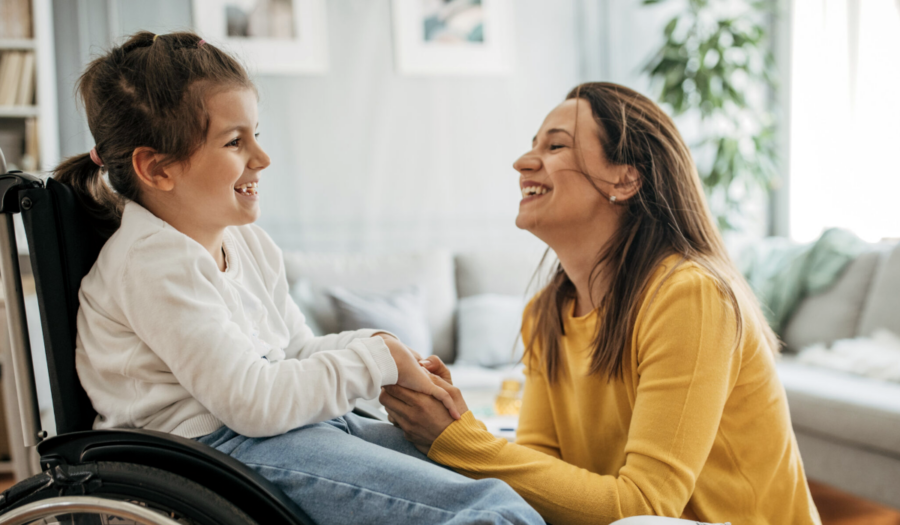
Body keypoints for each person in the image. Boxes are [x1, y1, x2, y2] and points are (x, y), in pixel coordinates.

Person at [60, 31, 543, 525]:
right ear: (157, 168)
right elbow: (251, 403)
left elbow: (291, 352)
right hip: (211, 456)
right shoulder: (150, 263)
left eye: (256, 135)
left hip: (283, 434)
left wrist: (382, 346)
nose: (262, 158)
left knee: (492, 482)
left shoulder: (246, 243)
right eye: (234, 141)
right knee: (492, 512)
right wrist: (374, 362)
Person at [381, 82, 823, 525]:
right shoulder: (546, 312)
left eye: (555, 145)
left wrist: (459, 439)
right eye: (533, 145)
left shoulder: (690, 295)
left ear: (625, 178)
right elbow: (538, 475)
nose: (522, 162)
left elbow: (645, 510)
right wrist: (452, 419)